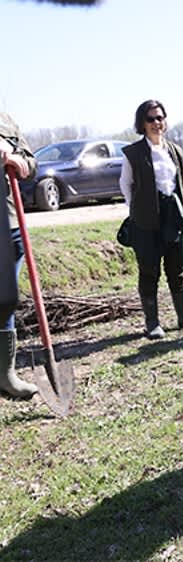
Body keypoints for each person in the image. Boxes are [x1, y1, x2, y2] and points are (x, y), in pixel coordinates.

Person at [120, 100, 183, 339]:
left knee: (178, 269)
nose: (157, 123)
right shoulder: (133, 153)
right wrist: (136, 210)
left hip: (173, 217)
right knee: (149, 272)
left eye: (160, 117)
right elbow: (125, 184)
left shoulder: (174, 150)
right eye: (151, 119)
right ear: (142, 123)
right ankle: (152, 323)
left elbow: (179, 185)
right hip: (146, 222)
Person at [0, 112, 38, 398]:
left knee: (6, 298)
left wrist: (21, 161)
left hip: (10, 220)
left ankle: (6, 373)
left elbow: (32, 162)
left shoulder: (6, 120)